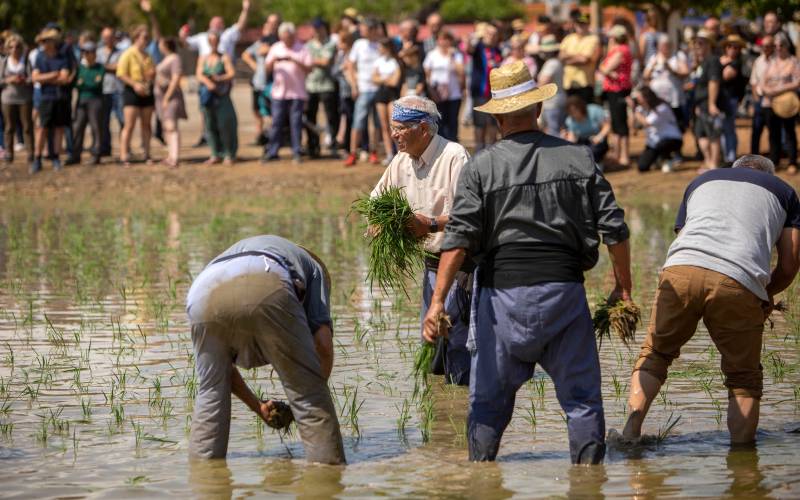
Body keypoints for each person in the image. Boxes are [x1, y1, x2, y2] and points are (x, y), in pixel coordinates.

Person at [422, 61, 631, 464]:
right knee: (583, 402)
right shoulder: (579, 158)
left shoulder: (481, 166)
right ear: (537, 110)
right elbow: (615, 230)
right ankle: (589, 482)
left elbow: (458, 239)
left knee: (487, 403)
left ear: (498, 117)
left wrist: (437, 302)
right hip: (565, 295)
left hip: (502, 301)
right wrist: (624, 287)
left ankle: (482, 477)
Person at [621, 154, 800, 446]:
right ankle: (743, 467)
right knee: (743, 378)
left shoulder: (701, 180)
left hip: (679, 270)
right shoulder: (784, 191)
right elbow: (790, 264)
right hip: (738, 279)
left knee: (656, 353)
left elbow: (687, 236)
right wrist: (766, 295)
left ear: (734, 170)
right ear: (769, 173)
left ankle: (630, 432)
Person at [187, 235, 346, 465]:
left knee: (211, 391)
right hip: (267, 278)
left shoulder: (247, 250)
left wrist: (258, 407)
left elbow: (223, 373)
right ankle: (326, 480)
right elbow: (322, 344)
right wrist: (302, 399)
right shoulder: (313, 268)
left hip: (202, 291)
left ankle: (206, 480)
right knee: (310, 395)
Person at [371, 95, 471, 384]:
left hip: (460, 265)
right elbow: (377, 202)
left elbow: (470, 219)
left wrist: (429, 224)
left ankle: (463, 409)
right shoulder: (401, 161)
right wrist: (378, 223)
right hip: (430, 266)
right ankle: (441, 412)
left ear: (424, 129)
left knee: (457, 344)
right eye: (393, 127)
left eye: (400, 127)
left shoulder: (454, 156)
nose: (394, 134)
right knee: (431, 347)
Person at [262, 22, 311, 164]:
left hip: (297, 93)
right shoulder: (276, 48)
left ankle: (296, 151)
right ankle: (273, 151)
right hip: (279, 93)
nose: (287, 40)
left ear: (293, 36)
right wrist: (273, 62)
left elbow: (309, 69)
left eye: (289, 37)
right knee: (276, 122)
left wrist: (294, 60)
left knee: (296, 123)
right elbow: (266, 69)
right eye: (284, 37)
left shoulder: (302, 48)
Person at [31, 28, 71, 174]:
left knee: (59, 128)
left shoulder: (62, 58)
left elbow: (65, 78)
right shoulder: (39, 57)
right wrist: (54, 75)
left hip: (59, 98)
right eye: (42, 41)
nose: (44, 43)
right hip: (45, 98)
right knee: (42, 128)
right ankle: (37, 158)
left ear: (53, 42)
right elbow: (35, 78)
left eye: (46, 41)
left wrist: (46, 78)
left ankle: (56, 157)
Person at [197, 30, 238, 165]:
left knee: (225, 124)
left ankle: (228, 153)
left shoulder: (224, 57)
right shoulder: (203, 57)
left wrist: (219, 78)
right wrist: (208, 83)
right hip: (208, 97)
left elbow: (231, 73)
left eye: (215, 40)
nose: (213, 43)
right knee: (210, 125)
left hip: (222, 96)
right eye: (211, 40)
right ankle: (215, 153)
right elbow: (199, 74)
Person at [116, 25, 155, 167]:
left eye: (147, 38)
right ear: (136, 38)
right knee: (129, 125)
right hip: (132, 91)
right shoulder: (128, 54)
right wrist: (134, 84)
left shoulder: (148, 55)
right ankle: (123, 155)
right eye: (144, 37)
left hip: (146, 91)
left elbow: (151, 71)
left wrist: (150, 76)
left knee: (146, 125)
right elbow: (120, 73)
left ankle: (147, 154)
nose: (146, 40)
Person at [344, 18, 381, 167]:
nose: (361, 30)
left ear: (372, 29)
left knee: (376, 124)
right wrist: (354, 86)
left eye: (364, 28)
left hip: (378, 89)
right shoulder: (359, 45)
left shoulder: (380, 45)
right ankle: (353, 153)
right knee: (358, 122)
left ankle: (374, 152)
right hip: (363, 89)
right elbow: (350, 66)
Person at [762, 33, 800, 173]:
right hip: (770, 103)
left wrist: (778, 89)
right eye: (775, 46)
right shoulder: (771, 61)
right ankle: (775, 161)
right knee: (773, 133)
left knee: (790, 132)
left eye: (781, 45)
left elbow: (797, 82)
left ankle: (792, 162)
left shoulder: (793, 61)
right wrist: (767, 90)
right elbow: (763, 81)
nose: (778, 48)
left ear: (786, 46)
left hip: (787, 104)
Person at [242, 14, 279, 146]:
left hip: (272, 83)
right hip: (258, 83)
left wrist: (267, 49)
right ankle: (260, 136)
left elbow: (265, 51)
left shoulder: (278, 42)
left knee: (272, 112)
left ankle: (273, 136)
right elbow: (246, 54)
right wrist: (255, 66)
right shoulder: (260, 42)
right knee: (257, 111)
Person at [689, 29, 723, 171]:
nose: (697, 46)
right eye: (696, 43)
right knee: (701, 134)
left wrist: (711, 104)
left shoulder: (713, 60)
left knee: (713, 135)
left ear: (709, 44)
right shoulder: (702, 63)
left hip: (709, 104)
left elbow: (713, 82)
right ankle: (708, 161)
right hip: (700, 104)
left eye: (701, 43)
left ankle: (714, 164)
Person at [600, 25, 633, 167]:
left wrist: (606, 69)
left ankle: (623, 156)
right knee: (616, 123)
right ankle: (617, 154)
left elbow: (604, 68)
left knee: (620, 123)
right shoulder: (618, 50)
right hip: (614, 89)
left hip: (617, 89)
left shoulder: (620, 51)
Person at [305, 18, 339, 159]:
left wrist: (311, 61)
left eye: (319, 28)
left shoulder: (331, 44)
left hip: (327, 85)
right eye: (314, 28)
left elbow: (325, 62)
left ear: (325, 29)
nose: (317, 31)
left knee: (331, 116)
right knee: (309, 116)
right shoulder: (308, 45)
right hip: (310, 85)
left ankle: (333, 144)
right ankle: (313, 146)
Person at [466, 23, 503, 152]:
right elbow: (469, 49)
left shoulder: (498, 49)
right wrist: (475, 37)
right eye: (489, 34)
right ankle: (478, 151)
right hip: (480, 92)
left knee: (493, 123)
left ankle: (491, 150)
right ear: (484, 34)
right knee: (479, 124)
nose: (492, 37)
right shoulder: (478, 47)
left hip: (495, 93)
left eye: (494, 34)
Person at [67, 41, 104, 166]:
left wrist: (83, 83)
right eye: (84, 52)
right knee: (78, 127)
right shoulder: (79, 68)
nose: (86, 55)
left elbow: (96, 84)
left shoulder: (100, 67)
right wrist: (83, 83)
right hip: (81, 100)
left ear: (94, 53)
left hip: (95, 101)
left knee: (95, 128)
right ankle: (75, 155)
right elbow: (76, 84)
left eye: (88, 52)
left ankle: (96, 154)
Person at [423, 30, 464, 142]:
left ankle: (454, 146)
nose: (444, 42)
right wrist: (431, 91)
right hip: (437, 94)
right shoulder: (432, 55)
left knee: (452, 123)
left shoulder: (456, 54)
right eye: (442, 39)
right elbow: (427, 74)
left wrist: (452, 57)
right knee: (439, 122)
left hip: (453, 94)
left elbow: (461, 71)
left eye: (447, 39)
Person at [643, 34, 689, 131]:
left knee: (676, 123)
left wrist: (672, 70)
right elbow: (645, 76)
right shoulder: (654, 58)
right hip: (657, 99)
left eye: (667, 45)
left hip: (673, 98)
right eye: (662, 45)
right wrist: (653, 66)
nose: (664, 47)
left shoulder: (677, 56)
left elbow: (685, 72)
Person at [633, 87, 683, 173]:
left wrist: (636, 112)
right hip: (653, 143)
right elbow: (634, 127)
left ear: (646, 97)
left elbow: (647, 123)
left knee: (662, 145)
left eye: (639, 97)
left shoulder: (662, 107)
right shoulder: (641, 109)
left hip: (671, 139)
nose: (637, 100)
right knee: (642, 167)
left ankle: (669, 160)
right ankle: (658, 159)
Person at [153, 37, 186, 168]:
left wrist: (167, 96)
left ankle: (175, 157)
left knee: (172, 126)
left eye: (160, 43)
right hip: (161, 98)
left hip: (171, 98)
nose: (159, 46)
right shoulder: (165, 59)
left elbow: (176, 78)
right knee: (166, 127)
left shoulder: (175, 58)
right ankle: (170, 155)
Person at [1, 34, 34, 166]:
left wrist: (24, 80)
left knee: (27, 126)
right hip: (8, 98)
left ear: (21, 48)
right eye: (12, 47)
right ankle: (9, 153)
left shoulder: (26, 61)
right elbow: (0, 79)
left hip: (24, 97)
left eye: (18, 46)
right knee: (9, 127)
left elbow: (32, 77)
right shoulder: (3, 62)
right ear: (8, 48)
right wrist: (9, 80)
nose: (15, 49)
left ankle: (31, 153)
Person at [372, 38, 402, 166]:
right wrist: (386, 79)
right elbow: (373, 78)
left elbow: (395, 81)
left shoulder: (396, 61)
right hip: (381, 94)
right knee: (384, 126)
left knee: (393, 124)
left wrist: (381, 78)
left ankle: (400, 152)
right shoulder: (378, 61)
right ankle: (390, 153)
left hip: (392, 94)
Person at [559, 12, 600, 104]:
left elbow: (584, 60)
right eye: (579, 24)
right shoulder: (568, 38)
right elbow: (561, 56)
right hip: (569, 83)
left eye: (583, 24)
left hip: (585, 83)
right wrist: (578, 56)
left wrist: (568, 58)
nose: (581, 26)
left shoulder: (593, 39)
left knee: (585, 112)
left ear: (588, 24)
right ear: (575, 24)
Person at [97, 27, 125, 158]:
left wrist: (104, 67)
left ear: (114, 38)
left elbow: (120, 67)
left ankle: (124, 148)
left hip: (118, 90)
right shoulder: (98, 52)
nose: (107, 39)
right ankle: (105, 148)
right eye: (105, 37)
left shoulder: (122, 52)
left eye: (110, 37)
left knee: (122, 120)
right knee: (104, 122)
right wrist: (110, 67)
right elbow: (96, 68)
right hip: (103, 91)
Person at [719, 35, 747, 164]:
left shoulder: (737, 62)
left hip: (731, 100)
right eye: (730, 46)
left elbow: (726, 75)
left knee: (728, 128)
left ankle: (730, 157)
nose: (732, 49)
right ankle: (724, 155)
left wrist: (718, 66)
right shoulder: (720, 61)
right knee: (721, 129)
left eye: (736, 47)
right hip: (719, 100)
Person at [564, 95, 610, 163]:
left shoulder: (594, 110)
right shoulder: (570, 120)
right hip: (583, 142)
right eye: (571, 112)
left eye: (575, 110)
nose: (574, 114)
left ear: (580, 107)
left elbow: (607, 126)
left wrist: (599, 137)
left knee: (592, 152)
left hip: (598, 141)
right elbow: (572, 139)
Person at [750, 35, 774, 156]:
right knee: (756, 130)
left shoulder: (777, 61)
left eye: (768, 46)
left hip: (773, 100)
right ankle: (753, 156)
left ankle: (774, 156)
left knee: (773, 130)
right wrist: (755, 99)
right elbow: (753, 81)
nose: (765, 48)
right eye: (763, 46)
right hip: (760, 100)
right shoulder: (758, 61)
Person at [536, 35, 565, 137]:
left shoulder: (552, 63)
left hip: (552, 102)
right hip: (554, 101)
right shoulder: (554, 62)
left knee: (553, 131)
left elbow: (544, 81)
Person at [332, 30, 355, 158]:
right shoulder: (340, 56)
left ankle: (360, 146)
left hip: (356, 90)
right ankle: (347, 146)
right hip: (344, 92)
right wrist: (342, 67)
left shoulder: (354, 54)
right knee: (348, 118)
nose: (338, 45)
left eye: (340, 42)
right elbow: (334, 72)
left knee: (355, 120)